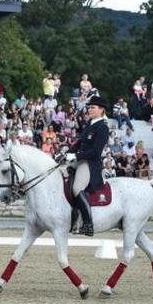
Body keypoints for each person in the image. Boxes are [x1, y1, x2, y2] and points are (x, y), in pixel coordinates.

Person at [66, 95, 110, 236]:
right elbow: (79, 143)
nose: (89, 109)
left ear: (101, 110)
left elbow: (96, 151)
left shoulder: (102, 127)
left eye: (92, 107)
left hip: (90, 164)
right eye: (89, 107)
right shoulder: (89, 123)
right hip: (80, 160)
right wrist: (66, 153)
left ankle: (88, 224)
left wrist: (76, 156)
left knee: (77, 188)